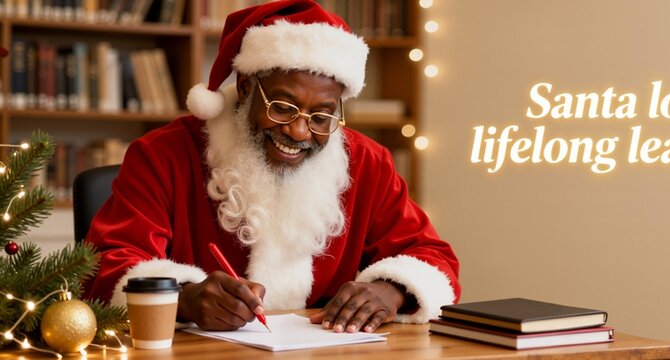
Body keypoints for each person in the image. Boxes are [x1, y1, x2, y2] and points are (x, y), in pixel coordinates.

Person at [83, 0, 460, 333]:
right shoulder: (162, 153)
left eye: (322, 116)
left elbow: (433, 259)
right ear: (246, 87)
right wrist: (184, 297)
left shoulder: (369, 162)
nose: (299, 131)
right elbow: (105, 267)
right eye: (282, 107)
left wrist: (391, 289)